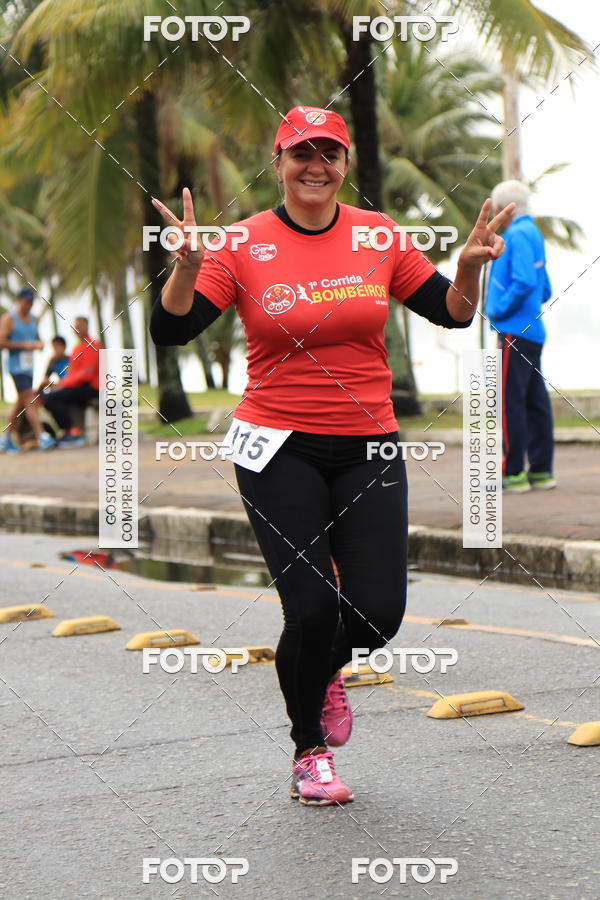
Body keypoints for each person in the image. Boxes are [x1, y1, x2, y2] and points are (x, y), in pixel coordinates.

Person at [149, 105, 512, 807]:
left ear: (346, 164)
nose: (316, 166)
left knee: (376, 615)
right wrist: (187, 269)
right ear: (278, 161)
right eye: (301, 153)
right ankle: (308, 750)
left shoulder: (377, 234)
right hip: (277, 445)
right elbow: (174, 327)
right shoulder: (244, 242)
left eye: (330, 154)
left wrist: (468, 270)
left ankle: (320, 670)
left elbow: (454, 312)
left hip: (369, 444)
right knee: (311, 610)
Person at [486, 180, 556, 492]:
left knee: (509, 400)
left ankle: (512, 471)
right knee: (535, 400)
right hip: (534, 330)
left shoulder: (514, 235)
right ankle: (541, 471)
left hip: (514, 330)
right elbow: (545, 288)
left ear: (503, 209)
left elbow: (525, 281)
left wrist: (498, 310)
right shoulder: (534, 234)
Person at [0, 287, 56, 452]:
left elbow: (37, 339)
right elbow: (1, 342)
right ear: (19, 300)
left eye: (31, 302)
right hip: (16, 367)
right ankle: (42, 436)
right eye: (26, 301)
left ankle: (4, 439)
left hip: (29, 368)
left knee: (20, 404)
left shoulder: (33, 319)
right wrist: (25, 345)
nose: (29, 305)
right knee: (30, 398)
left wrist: (40, 345)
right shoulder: (9, 319)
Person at [42, 316, 102, 447]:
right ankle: (68, 432)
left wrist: (62, 385)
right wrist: (60, 385)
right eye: (76, 326)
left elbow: (86, 375)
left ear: (87, 327)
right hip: (79, 388)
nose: (78, 328)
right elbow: (72, 374)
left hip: (92, 389)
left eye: (80, 325)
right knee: (46, 397)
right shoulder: (76, 349)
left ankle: (72, 433)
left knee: (52, 398)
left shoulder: (93, 345)